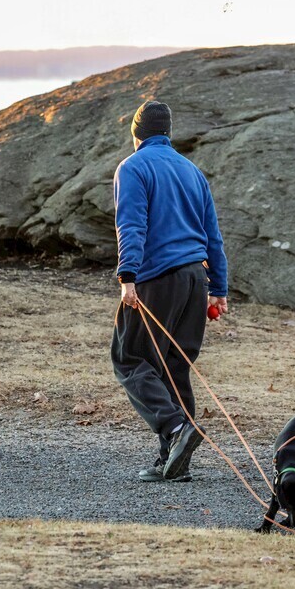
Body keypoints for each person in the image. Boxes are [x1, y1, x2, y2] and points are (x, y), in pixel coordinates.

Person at [110, 100, 229, 483]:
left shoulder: (132, 168)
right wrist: (219, 288)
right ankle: (174, 463)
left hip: (157, 278)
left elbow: (131, 225)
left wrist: (127, 275)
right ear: (168, 133)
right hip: (196, 279)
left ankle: (176, 430)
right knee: (176, 368)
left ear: (136, 133)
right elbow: (214, 236)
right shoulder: (193, 171)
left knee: (130, 359)